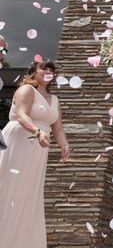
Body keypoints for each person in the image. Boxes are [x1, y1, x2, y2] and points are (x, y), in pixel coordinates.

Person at [0, 59, 71, 247]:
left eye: (51, 70)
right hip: (21, 139)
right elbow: (22, 114)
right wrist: (36, 131)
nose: (47, 72)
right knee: (11, 187)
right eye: (44, 68)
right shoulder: (26, 90)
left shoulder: (54, 100)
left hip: (39, 149)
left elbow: (58, 128)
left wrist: (64, 144)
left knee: (28, 191)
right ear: (34, 71)